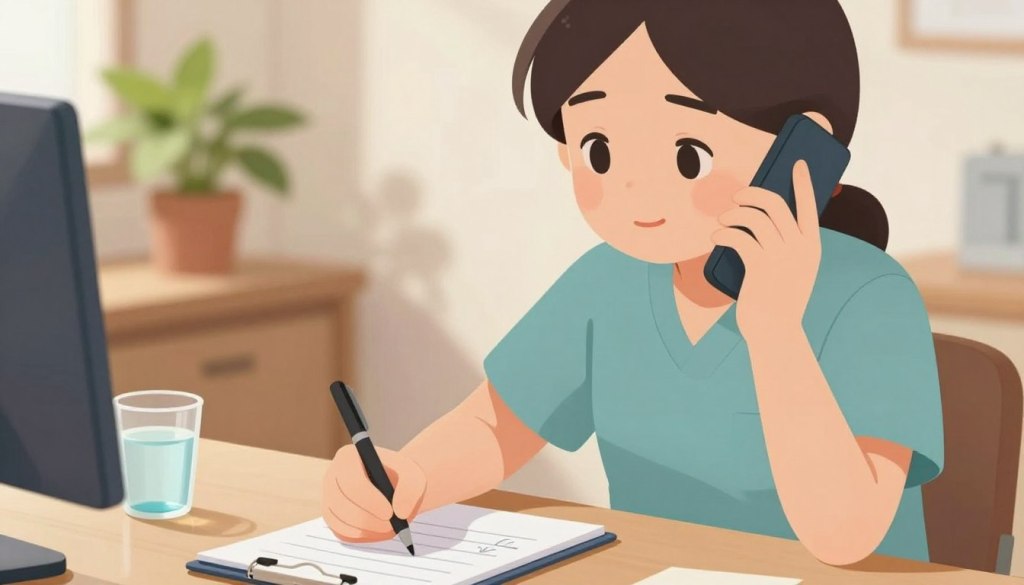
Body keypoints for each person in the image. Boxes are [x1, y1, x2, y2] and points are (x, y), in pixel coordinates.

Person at [322, 0, 944, 566]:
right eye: (598, 149)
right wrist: (410, 479)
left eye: (687, 156)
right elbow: (497, 426)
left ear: (803, 155)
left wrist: (776, 332)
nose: (635, 191)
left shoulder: (871, 298)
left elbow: (844, 536)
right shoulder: (607, 281)